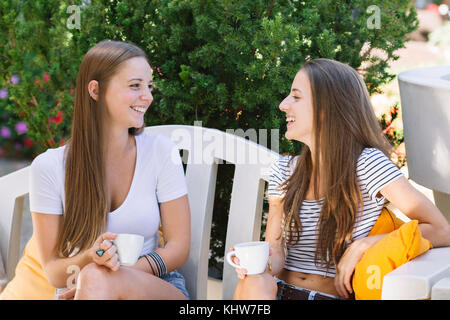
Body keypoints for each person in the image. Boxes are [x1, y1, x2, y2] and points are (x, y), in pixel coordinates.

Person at [231, 58, 450, 300]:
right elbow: (277, 255)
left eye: (296, 97)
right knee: (254, 284)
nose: (283, 105)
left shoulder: (367, 164)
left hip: (329, 295)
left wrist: (365, 245)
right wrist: (259, 265)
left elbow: (441, 230)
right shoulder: (284, 169)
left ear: (327, 107)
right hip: (278, 292)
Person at [30, 40, 191, 300]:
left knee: (95, 277)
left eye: (149, 86)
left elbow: (179, 247)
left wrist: (113, 275)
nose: (148, 96)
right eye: (135, 85)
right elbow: (53, 272)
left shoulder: (161, 151)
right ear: (95, 90)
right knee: (93, 277)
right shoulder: (48, 168)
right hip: (82, 288)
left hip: (155, 285)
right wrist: (89, 259)